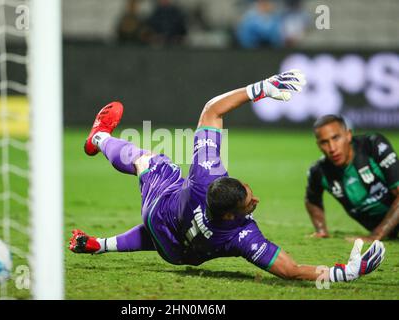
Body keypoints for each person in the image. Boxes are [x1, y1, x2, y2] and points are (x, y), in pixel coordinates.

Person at [70, 70, 385, 284]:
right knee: (160, 204)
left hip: (159, 213)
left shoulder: (206, 176)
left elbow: (211, 110)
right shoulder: (242, 237)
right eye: (250, 201)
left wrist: (259, 89)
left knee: (146, 161)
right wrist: (343, 273)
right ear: (233, 214)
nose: (255, 199)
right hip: (176, 254)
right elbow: (290, 270)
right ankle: (97, 234)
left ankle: (98, 140)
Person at [306, 115, 399, 241]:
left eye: (336, 138)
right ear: (318, 145)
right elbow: (312, 200)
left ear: (348, 135)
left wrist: (376, 235)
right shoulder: (319, 171)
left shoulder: (372, 145)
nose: (332, 148)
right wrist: (321, 229)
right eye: (324, 142)